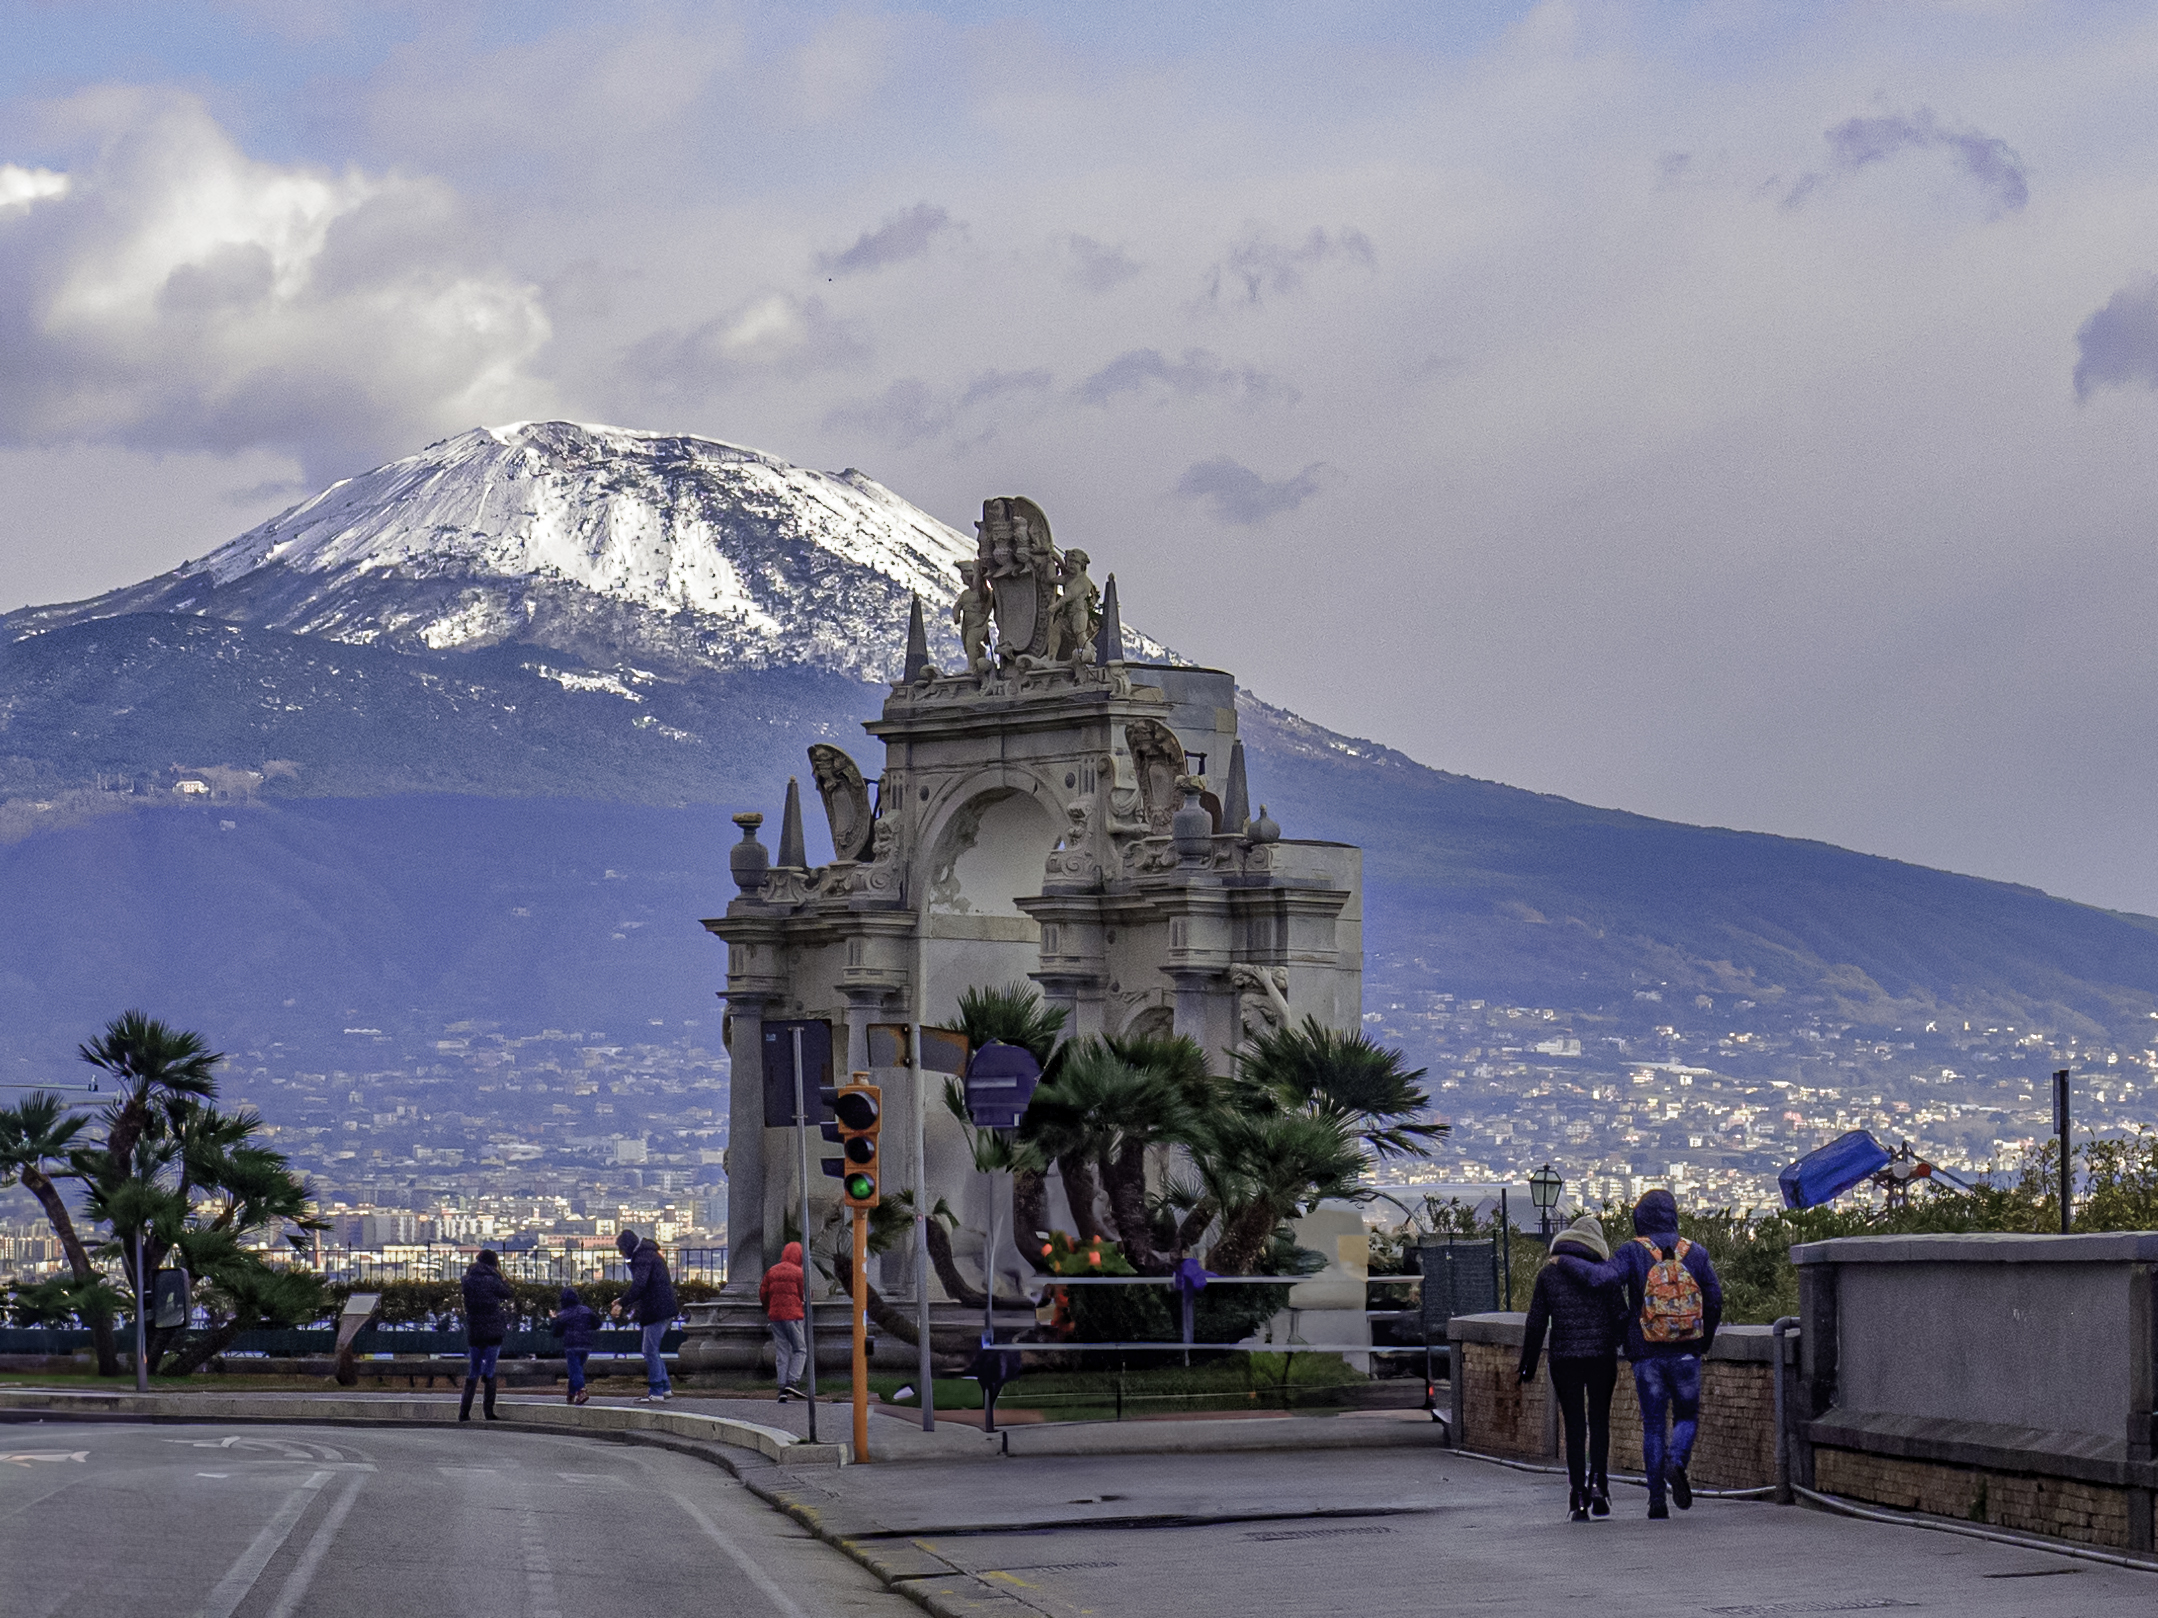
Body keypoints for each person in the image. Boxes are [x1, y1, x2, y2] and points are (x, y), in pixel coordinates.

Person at [1558, 1188, 1724, 1519]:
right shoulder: (1696, 1253)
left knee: (1652, 1425)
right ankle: (1677, 1462)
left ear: (1640, 1218)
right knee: (1687, 1416)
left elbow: (1601, 1278)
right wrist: (1702, 1341)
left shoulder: (1633, 1252)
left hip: (1647, 1351)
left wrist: (1564, 1259)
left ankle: (1656, 1502)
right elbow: (1715, 1299)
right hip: (1687, 1352)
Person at [1519, 1212, 1627, 1522]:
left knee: (1575, 1426)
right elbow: (1621, 1316)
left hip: (1564, 1358)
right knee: (1599, 1421)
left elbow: (1536, 1322)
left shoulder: (1548, 1274)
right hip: (1601, 1357)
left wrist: (1528, 1364)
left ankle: (1577, 1494)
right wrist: (1622, 1342)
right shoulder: (1605, 1275)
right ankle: (1599, 1485)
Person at [610, 1226, 677, 1403]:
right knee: (653, 1350)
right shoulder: (649, 1254)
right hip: (664, 1307)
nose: (621, 1254)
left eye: (621, 1250)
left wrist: (622, 1304)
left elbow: (639, 1285)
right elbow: (643, 1286)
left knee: (649, 1351)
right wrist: (623, 1300)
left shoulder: (642, 1258)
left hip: (655, 1309)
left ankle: (656, 1391)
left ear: (628, 1247)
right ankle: (665, 1387)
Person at [460, 1248, 515, 1422]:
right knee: (490, 1370)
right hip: (493, 1330)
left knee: (473, 1370)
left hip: (475, 1330)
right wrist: (502, 1276)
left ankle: (464, 1412)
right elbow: (508, 1293)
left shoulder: (468, 1281)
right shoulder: (493, 1280)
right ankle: (488, 1412)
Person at [759, 1240, 808, 1402]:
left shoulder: (772, 1271)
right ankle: (793, 1381)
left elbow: (763, 1293)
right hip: (793, 1315)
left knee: (782, 1351)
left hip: (775, 1316)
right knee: (800, 1349)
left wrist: (769, 1308)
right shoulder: (798, 1272)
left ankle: (781, 1387)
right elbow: (802, 1294)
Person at [550, 1286, 601, 1406]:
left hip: (571, 1344)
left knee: (574, 1370)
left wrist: (553, 1319)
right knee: (577, 1369)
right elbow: (597, 1323)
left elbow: (556, 1332)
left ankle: (581, 1391)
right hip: (586, 1344)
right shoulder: (586, 1310)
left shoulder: (563, 1314)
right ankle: (571, 1393)